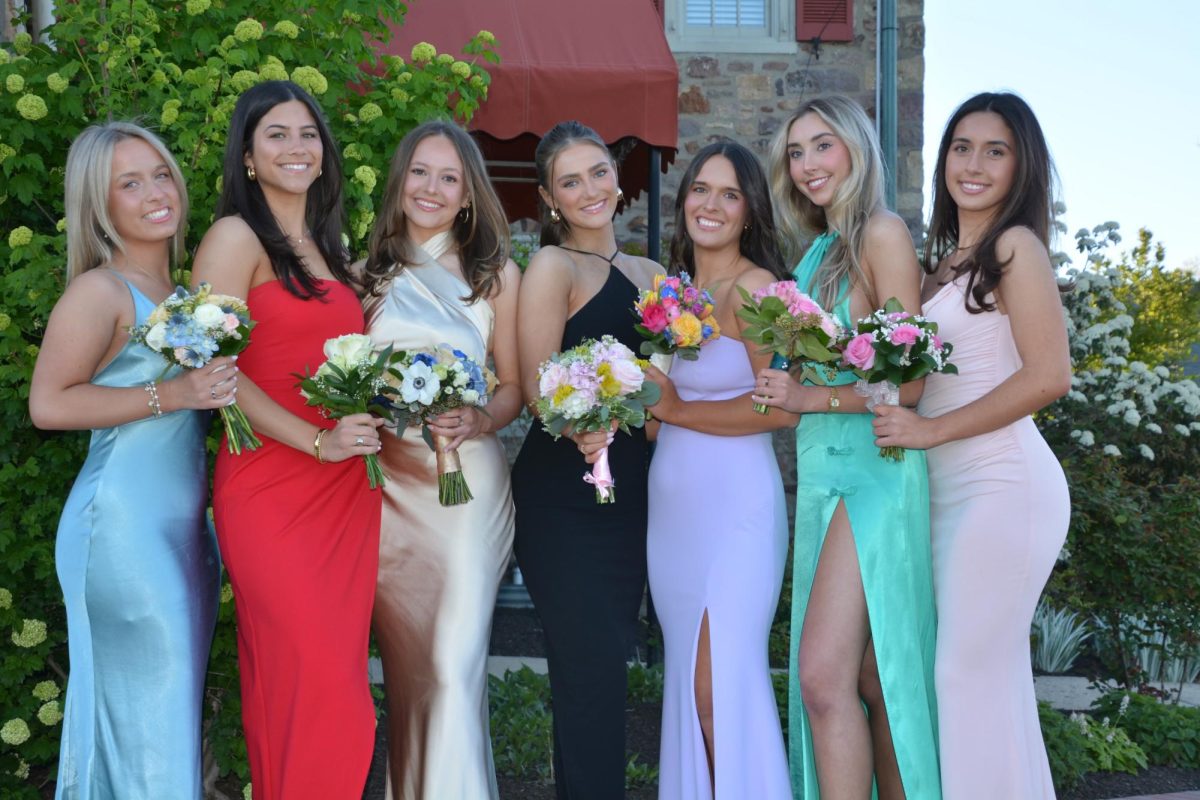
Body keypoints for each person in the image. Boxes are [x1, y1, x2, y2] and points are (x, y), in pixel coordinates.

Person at [871, 92, 1071, 800]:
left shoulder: (1016, 248)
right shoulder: (938, 267)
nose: (974, 164)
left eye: (995, 150)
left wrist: (928, 432)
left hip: (1003, 486)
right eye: (961, 147)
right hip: (944, 492)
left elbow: (1051, 376)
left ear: (1022, 167)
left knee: (962, 675)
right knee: (983, 679)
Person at [190, 80, 383, 800]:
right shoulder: (234, 239)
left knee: (336, 687)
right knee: (303, 673)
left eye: (308, 133)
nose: (297, 147)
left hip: (346, 494)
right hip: (271, 485)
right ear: (246, 155)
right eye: (277, 133)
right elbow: (214, 371)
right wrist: (317, 440)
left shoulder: (334, 252)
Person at [29, 122, 234, 799]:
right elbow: (49, 405)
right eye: (130, 182)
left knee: (165, 722)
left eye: (161, 173)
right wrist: (171, 393)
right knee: (148, 728)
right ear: (100, 204)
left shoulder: (189, 298)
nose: (155, 192)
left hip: (183, 536)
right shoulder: (102, 292)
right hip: (120, 532)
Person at [754, 94, 942, 799]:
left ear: (857, 149)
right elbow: (806, 373)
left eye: (822, 146)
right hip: (823, 467)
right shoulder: (818, 252)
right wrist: (783, 380)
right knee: (863, 679)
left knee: (822, 677)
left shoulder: (881, 234)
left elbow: (912, 387)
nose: (807, 165)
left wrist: (808, 395)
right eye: (796, 153)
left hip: (877, 471)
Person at [359, 120, 521, 799]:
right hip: (387, 491)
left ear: (467, 196)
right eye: (420, 172)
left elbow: (515, 388)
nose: (431, 188)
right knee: (411, 673)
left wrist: (481, 415)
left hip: (465, 487)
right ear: (400, 182)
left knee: (453, 666)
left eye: (448, 177)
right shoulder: (362, 272)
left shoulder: (494, 274)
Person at [511, 120, 662, 799]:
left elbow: (667, 388)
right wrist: (581, 429)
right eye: (570, 181)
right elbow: (538, 388)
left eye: (598, 171)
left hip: (633, 498)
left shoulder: (654, 275)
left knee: (606, 674)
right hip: (566, 500)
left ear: (616, 176)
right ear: (549, 198)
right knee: (588, 676)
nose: (590, 189)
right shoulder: (551, 267)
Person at [643, 141, 794, 799]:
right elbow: (650, 411)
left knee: (718, 688)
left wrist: (675, 410)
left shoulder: (758, 289)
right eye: (700, 188)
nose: (711, 204)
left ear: (749, 210)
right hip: (673, 515)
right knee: (689, 685)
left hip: (735, 510)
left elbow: (779, 409)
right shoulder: (672, 293)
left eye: (728, 194)